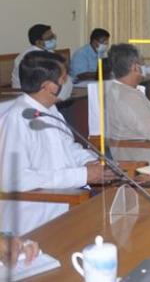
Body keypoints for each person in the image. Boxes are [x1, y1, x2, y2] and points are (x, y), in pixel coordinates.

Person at [0, 51, 110, 234]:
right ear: (49, 87)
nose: (68, 83)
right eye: (63, 79)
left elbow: (68, 146)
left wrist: (89, 162)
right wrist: (81, 175)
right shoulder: (16, 119)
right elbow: (13, 180)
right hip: (35, 221)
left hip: (67, 206)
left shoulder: (50, 109)